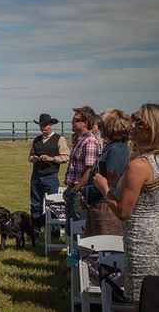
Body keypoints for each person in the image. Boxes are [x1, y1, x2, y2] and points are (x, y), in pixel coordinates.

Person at [93, 103, 159, 309]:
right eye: (133, 118)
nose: (131, 124)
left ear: (151, 128)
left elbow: (123, 211)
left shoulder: (139, 165)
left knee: (144, 298)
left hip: (142, 240)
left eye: (138, 121)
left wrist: (104, 187)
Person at [80, 108, 131, 237]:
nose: (98, 126)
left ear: (109, 127)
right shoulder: (113, 148)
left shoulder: (117, 150)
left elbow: (110, 185)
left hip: (107, 208)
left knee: (104, 252)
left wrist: (85, 192)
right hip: (100, 204)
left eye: (101, 124)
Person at [28, 113, 70, 239]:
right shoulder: (36, 140)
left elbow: (66, 157)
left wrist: (52, 158)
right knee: (35, 205)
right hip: (36, 176)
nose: (43, 128)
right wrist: (34, 158)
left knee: (53, 204)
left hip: (51, 176)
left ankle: (55, 232)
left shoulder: (59, 139)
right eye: (41, 125)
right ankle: (35, 231)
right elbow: (30, 157)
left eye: (45, 125)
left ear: (51, 125)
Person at [63, 106, 102, 233]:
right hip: (73, 189)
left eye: (75, 119)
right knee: (71, 228)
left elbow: (90, 170)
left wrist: (75, 189)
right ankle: (72, 253)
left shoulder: (90, 141)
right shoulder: (80, 140)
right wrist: (69, 188)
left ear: (85, 123)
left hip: (80, 191)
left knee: (79, 230)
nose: (72, 122)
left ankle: (78, 253)